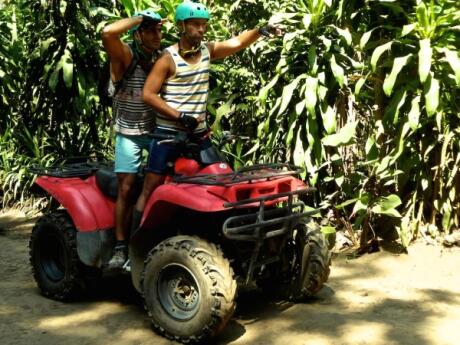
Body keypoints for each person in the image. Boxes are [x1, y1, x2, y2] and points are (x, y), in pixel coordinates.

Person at [133, 1, 281, 223]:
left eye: (204, 25)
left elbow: (237, 43)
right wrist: (180, 116)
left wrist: (260, 31)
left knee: (221, 179)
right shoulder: (167, 58)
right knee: (150, 188)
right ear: (182, 26)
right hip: (168, 135)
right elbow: (148, 94)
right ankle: (132, 247)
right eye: (195, 24)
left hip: (198, 135)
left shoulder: (206, 51)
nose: (201, 30)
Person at [101, 9, 163, 269]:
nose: (156, 35)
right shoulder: (125, 55)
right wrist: (140, 19)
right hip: (128, 132)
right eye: (150, 30)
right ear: (138, 34)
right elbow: (108, 33)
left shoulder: (161, 56)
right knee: (126, 187)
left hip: (156, 130)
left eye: (159, 29)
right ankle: (119, 246)